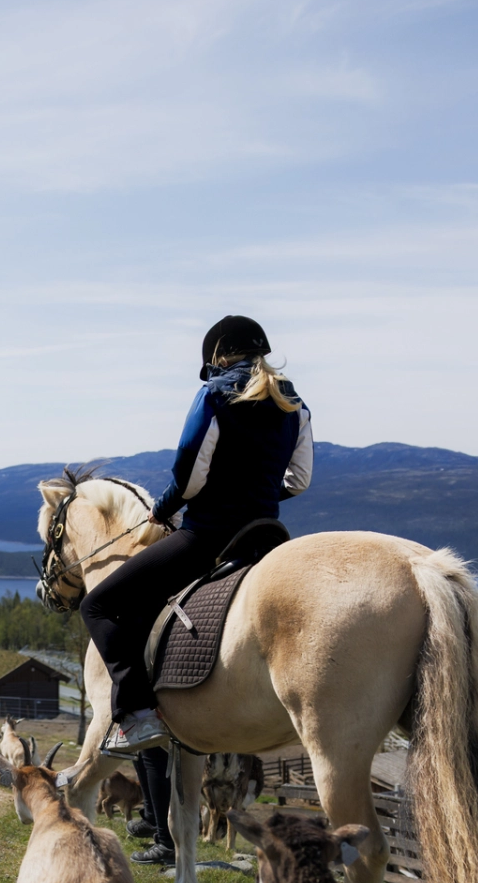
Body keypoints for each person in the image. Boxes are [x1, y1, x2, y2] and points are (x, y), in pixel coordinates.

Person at [79, 315, 312, 804]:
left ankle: (139, 714)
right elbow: (299, 480)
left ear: (218, 356)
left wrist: (161, 511)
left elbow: (189, 473)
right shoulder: (294, 401)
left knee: (98, 606)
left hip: (209, 535)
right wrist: (258, 495)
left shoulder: (215, 394)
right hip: (265, 536)